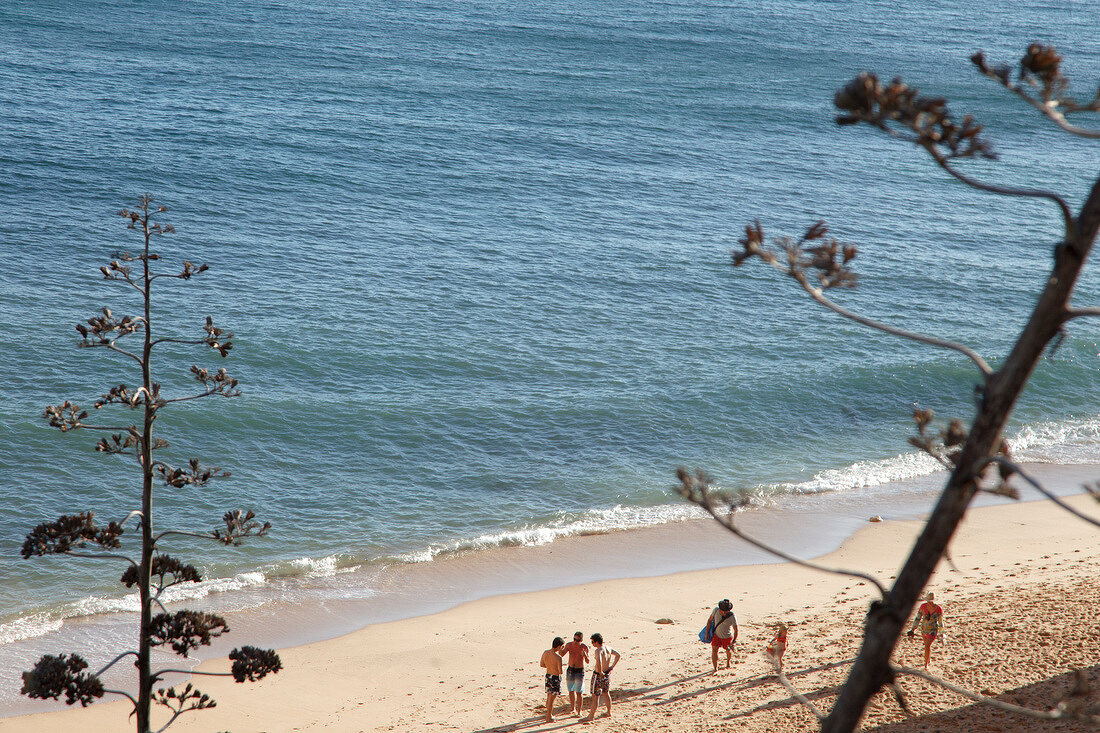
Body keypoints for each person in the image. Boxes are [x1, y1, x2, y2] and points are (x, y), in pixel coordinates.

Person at [582, 633, 620, 722]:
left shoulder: (598, 650)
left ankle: (591, 716)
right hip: (607, 674)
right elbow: (618, 655)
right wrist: (612, 666)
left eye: (592, 642)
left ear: (596, 642)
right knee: (606, 693)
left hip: (599, 675)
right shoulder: (608, 648)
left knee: (595, 696)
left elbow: (598, 662)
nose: (592, 644)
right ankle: (608, 712)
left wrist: (599, 672)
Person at [906, 591, 945, 668]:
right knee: (927, 647)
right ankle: (928, 659)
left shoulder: (938, 609)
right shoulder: (923, 607)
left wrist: (941, 633)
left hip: (933, 630)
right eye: (929, 601)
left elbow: (941, 622)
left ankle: (926, 665)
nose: (930, 603)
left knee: (927, 646)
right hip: (923, 629)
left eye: (931, 601)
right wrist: (913, 629)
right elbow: (918, 618)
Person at [558, 630, 589, 716]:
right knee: (571, 690)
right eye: (574, 639)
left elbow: (588, 661)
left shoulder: (584, 647)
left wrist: (585, 655)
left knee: (579, 692)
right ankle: (572, 708)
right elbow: (561, 654)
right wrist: (560, 648)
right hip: (570, 669)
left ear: (581, 640)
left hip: (580, 670)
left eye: (578, 640)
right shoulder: (569, 645)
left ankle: (579, 711)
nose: (575, 642)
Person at [708, 599, 738, 673]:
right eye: (722, 611)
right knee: (714, 650)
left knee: (728, 650)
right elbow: (709, 620)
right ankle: (715, 668)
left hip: (727, 637)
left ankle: (728, 662)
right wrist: (706, 633)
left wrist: (734, 640)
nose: (723, 613)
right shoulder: (715, 610)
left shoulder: (732, 616)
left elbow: (736, 630)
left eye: (725, 611)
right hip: (716, 635)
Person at [539, 637, 565, 722]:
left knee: (548, 696)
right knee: (551, 699)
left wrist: (550, 666)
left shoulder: (546, 653)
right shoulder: (558, 657)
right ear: (559, 646)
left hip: (548, 676)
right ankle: (548, 717)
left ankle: (549, 714)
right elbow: (560, 671)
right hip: (555, 677)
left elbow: (542, 664)